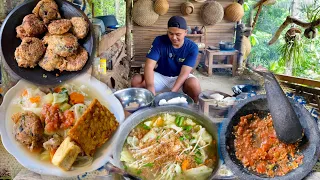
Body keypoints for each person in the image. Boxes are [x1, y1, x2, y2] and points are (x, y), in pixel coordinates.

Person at [131, 16, 201, 102]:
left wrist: (172, 92)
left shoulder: (192, 47)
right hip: (161, 76)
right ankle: (143, 106)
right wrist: (150, 87)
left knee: (194, 85)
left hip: (179, 78)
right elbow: (149, 66)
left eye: (178, 34)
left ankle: (193, 109)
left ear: (185, 32)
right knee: (136, 80)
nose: (174, 37)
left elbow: (184, 73)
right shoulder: (159, 41)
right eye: (171, 33)